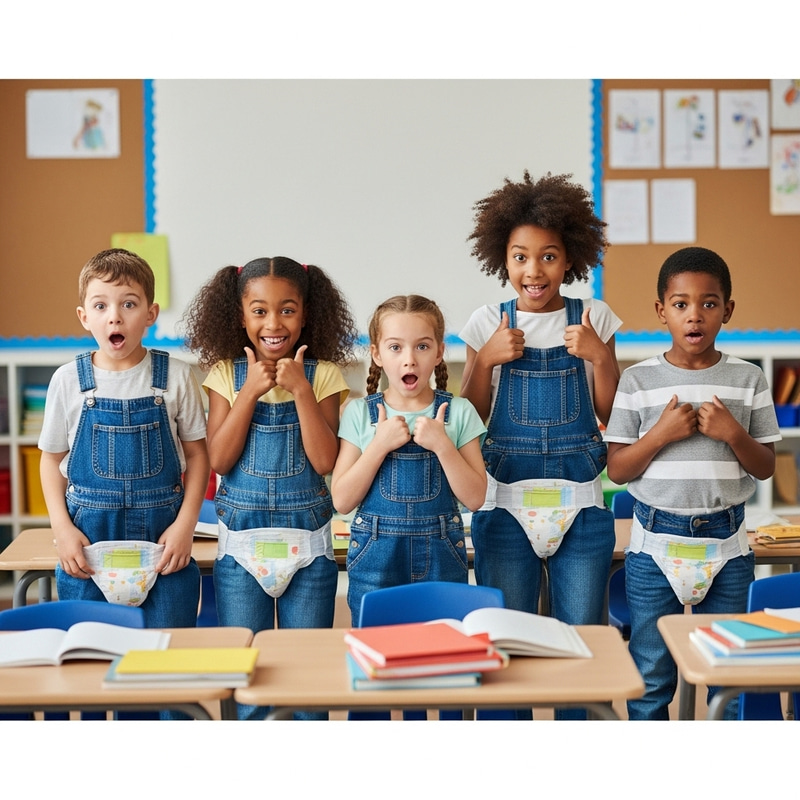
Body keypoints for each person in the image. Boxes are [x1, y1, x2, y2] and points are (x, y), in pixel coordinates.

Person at [459, 171, 621, 720]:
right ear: (501, 258)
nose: (534, 271)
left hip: (580, 508)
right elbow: (469, 416)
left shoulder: (594, 317)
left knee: (584, 641)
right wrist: (485, 359)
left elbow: (609, 413)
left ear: (571, 257)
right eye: (521, 257)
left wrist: (599, 356)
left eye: (549, 256)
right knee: (505, 642)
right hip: (504, 507)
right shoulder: (487, 322)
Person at [604, 246, 780, 721]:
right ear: (661, 311)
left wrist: (732, 433)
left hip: (728, 545)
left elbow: (764, 466)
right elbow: (617, 469)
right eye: (680, 304)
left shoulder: (749, 378)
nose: (694, 315)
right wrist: (660, 434)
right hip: (654, 546)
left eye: (709, 303)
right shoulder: (638, 380)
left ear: (728, 309)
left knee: (731, 671)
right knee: (652, 671)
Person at [182, 256, 357, 720]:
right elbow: (219, 460)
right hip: (240, 554)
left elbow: (325, 460)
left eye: (287, 309)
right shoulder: (224, 374)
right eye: (259, 311)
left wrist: (301, 391)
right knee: (248, 679)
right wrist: (247, 396)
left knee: (307, 682)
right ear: (239, 316)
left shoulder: (323, 376)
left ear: (306, 314)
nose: (273, 323)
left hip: (309, 552)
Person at [39, 248, 209, 629]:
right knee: (91, 659)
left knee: (168, 654)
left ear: (150, 313)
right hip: (89, 547)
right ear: (84, 317)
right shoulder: (67, 381)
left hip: (164, 546)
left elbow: (199, 457)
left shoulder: (177, 377)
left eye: (128, 304)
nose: (114, 315)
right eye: (100, 306)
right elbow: (51, 461)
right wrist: (61, 529)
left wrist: (185, 526)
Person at [331, 295, 487, 625]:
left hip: (442, 561)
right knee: (378, 649)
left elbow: (475, 498)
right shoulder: (359, 412)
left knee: (442, 648)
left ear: (439, 351)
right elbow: (343, 500)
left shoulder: (459, 412)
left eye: (422, 346)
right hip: (376, 561)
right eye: (395, 347)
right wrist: (379, 446)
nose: (409, 360)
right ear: (376, 354)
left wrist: (443, 446)